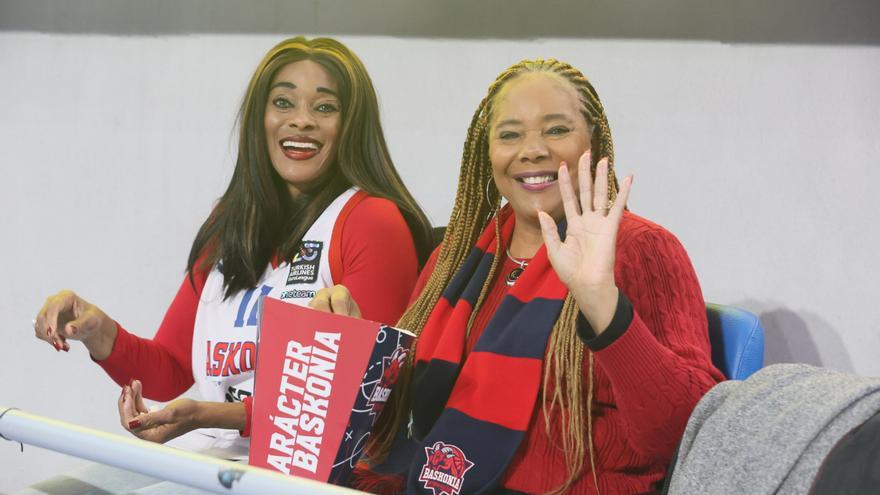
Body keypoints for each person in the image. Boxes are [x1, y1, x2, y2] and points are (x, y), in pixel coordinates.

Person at [31, 36, 433, 464]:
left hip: (313, 475)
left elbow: (359, 404)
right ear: (259, 119)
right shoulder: (230, 221)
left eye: (324, 107)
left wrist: (211, 416)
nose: (301, 121)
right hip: (223, 464)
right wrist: (96, 331)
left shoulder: (372, 221)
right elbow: (168, 369)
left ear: (352, 124)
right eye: (283, 103)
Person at [341, 58, 727, 494]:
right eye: (509, 135)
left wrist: (604, 306)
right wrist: (358, 353)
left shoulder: (640, 248)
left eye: (557, 130)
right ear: (486, 154)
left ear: (593, 142)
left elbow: (688, 433)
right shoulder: (455, 258)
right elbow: (400, 427)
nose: (532, 150)